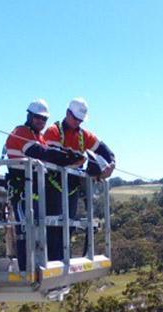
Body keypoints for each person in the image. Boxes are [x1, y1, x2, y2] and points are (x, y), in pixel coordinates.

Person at [4, 99, 81, 269]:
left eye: (44, 119)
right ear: (29, 116)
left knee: (43, 229)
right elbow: (40, 152)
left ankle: (47, 262)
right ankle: (27, 269)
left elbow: (49, 151)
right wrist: (65, 156)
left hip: (36, 190)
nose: (41, 122)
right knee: (26, 230)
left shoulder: (38, 136)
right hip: (23, 190)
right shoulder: (21, 132)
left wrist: (66, 154)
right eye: (38, 118)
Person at [40, 98, 116, 261]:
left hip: (72, 188)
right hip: (53, 186)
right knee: (54, 227)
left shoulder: (83, 135)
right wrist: (75, 160)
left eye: (80, 120)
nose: (77, 123)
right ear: (68, 113)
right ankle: (53, 262)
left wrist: (111, 163)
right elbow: (52, 156)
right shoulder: (53, 131)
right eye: (75, 119)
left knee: (68, 227)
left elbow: (104, 150)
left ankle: (62, 262)